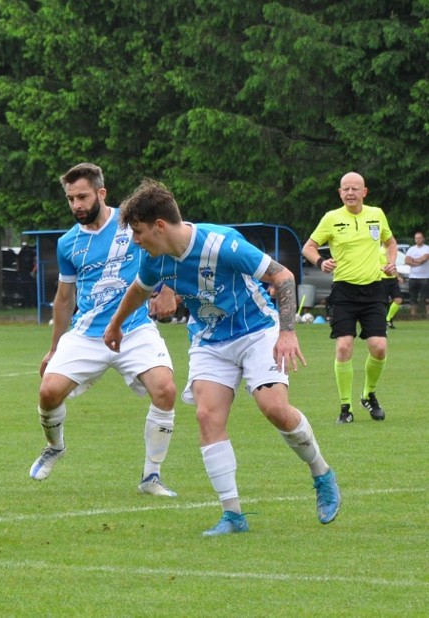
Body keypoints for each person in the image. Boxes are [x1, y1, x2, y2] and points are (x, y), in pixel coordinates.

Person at [105, 177, 341, 536]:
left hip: (256, 330)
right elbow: (139, 290)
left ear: (159, 226)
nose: (135, 240)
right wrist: (116, 325)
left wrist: (287, 330)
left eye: (138, 232)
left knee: (275, 409)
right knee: (206, 416)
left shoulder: (222, 243)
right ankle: (233, 516)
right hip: (209, 340)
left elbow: (284, 276)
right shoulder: (154, 259)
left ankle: (321, 473)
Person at [27, 163, 179, 496]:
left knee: (165, 389)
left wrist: (168, 289)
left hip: (133, 327)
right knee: (48, 392)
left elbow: (170, 246)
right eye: (70, 199)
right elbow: (65, 298)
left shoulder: (132, 222)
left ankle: (151, 477)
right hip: (87, 332)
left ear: (101, 193)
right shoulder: (68, 243)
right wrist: (53, 348)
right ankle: (55, 447)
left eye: (82, 196)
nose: (76, 205)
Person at [302, 172, 397, 423]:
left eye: (355, 188)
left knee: (379, 347)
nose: (350, 193)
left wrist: (391, 263)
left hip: (374, 290)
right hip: (343, 291)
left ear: (364, 192)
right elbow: (308, 247)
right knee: (344, 346)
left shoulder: (376, 214)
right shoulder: (331, 218)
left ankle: (369, 394)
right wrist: (321, 261)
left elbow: (391, 243)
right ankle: (346, 408)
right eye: (346, 189)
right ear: (340, 192)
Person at [405, 231, 429, 318]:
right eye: (416, 238)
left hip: (425, 278)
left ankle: (427, 315)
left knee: (427, 298)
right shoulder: (411, 249)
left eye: (419, 238)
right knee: (413, 297)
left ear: (423, 239)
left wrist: (413, 260)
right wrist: (417, 261)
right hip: (413, 277)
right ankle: (413, 316)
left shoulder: (427, 248)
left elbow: (424, 259)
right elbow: (407, 261)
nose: (417, 240)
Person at [379, 245, 403, 329]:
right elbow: (375, 264)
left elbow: (393, 266)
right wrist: (382, 269)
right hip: (382, 278)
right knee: (383, 302)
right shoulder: (378, 250)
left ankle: (388, 319)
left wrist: (398, 276)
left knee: (398, 300)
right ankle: (381, 321)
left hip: (392, 279)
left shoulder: (392, 250)